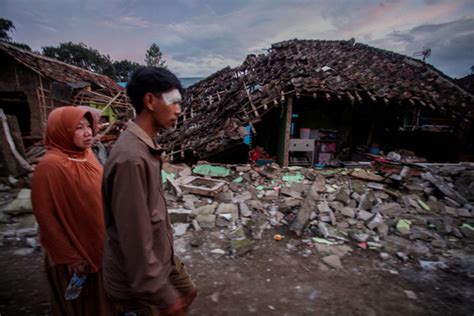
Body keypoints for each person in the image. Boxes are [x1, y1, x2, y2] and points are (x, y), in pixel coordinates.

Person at [102, 67, 197, 315]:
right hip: (138, 282)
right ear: (150, 101)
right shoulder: (131, 159)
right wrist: (162, 292)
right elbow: (133, 236)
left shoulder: (146, 147)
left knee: (188, 291)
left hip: (161, 258)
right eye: (173, 101)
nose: (179, 110)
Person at [31, 106, 113, 315]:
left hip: (98, 245)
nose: (88, 133)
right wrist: (70, 257)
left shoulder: (87, 155)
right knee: (79, 307)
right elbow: (46, 218)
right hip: (75, 255)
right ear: (62, 131)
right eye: (79, 128)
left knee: (100, 302)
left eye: (88, 126)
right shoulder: (50, 166)